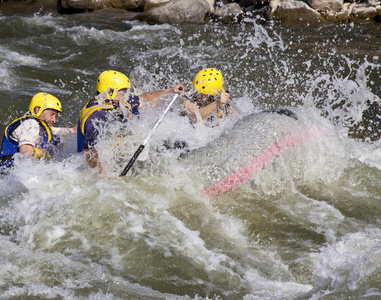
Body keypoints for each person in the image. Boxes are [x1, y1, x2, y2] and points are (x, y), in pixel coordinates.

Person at [77, 70, 185, 173]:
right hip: (99, 159)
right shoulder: (96, 117)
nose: (126, 95)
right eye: (123, 92)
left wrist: (170, 91)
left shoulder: (116, 100)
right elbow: (89, 152)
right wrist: (105, 173)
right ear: (110, 92)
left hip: (118, 145)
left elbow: (145, 99)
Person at [0, 92, 74, 168]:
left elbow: (71, 132)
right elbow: (25, 158)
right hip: (9, 175)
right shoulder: (30, 124)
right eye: (52, 114)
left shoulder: (43, 129)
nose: (54, 120)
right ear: (38, 110)